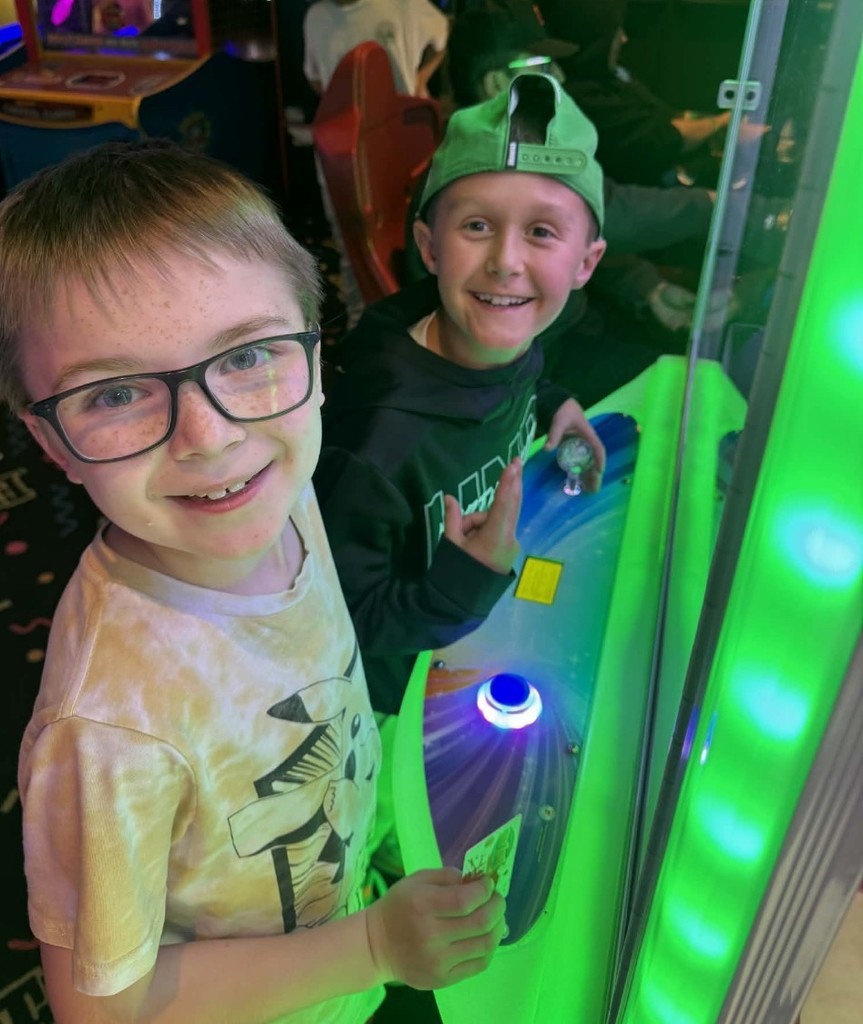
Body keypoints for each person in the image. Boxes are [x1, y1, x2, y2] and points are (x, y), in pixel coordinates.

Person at [0, 140, 505, 1024]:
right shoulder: (109, 727)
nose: (208, 437)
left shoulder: (283, 493)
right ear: (49, 443)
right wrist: (374, 948)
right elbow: (100, 1010)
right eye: (115, 395)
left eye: (248, 357)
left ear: (315, 358)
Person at [314, 74, 608, 873]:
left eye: (542, 234)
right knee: (373, 837)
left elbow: (510, 374)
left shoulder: (505, 335)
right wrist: (464, 581)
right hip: (378, 701)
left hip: (454, 644)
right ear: (429, 243)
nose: (507, 263)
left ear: (586, 261)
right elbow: (345, 629)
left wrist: (555, 404)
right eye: (477, 225)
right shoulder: (374, 445)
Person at [303, 0, 449, 98]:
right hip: (347, 135)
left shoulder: (404, 4)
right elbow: (314, 77)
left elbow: (442, 35)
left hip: (400, 123)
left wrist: (420, 80)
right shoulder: (315, 17)